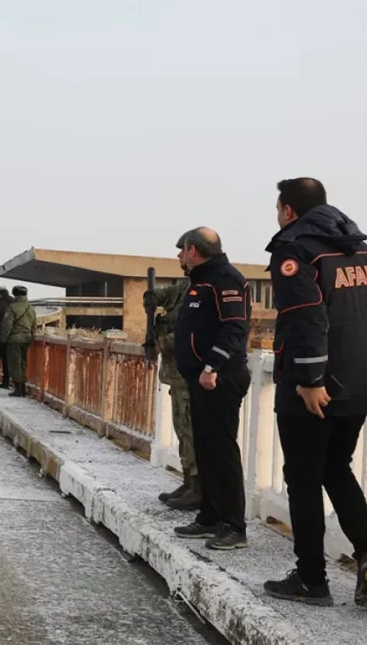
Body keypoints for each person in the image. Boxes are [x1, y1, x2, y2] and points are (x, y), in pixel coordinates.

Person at [262, 178, 367, 608]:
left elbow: (304, 316)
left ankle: (312, 580)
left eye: (278, 207)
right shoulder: (360, 249)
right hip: (359, 379)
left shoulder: (295, 247)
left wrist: (311, 380)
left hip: (313, 387)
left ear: (289, 209)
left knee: (303, 478)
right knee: (337, 469)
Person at [171, 227, 251, 551]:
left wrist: (212, 366)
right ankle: (210, 516)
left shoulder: (226, 279)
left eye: (181, 251)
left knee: (222, 450)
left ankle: (234, 525)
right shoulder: (201, 281)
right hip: (200, 379)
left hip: (220, 377)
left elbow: (234, 328)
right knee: (205, 448)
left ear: (193, 250)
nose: (178, 257)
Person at [144, 236, 200, 511]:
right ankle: (189, 481)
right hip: (177, 374)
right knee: (181, 428)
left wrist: (161, 342)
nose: (179, 257)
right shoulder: (183, 287)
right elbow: (164, 294)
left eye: (182, 251)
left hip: (191, 374)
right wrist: (151, 297)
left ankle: (198, 486)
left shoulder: (201, 287)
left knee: (191, 429)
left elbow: (192, 332)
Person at [0, 286, 36, 397]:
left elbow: (7, 325)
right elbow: (34, 325)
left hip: (14, 339)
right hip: (27, 339)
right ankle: (23, 388)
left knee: (15, 363)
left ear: (15, 294)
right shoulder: (31, 308)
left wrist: (3, 339)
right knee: (23, 363)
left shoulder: (12, 308)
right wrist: (31, 336)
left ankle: (18, 389)